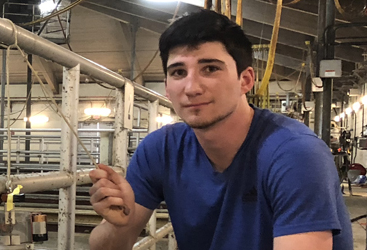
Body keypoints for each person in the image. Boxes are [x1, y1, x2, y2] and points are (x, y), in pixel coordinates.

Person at [89, 10, 353, 250]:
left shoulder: (295, 154)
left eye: (210, 68)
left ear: (245, 80)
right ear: (167, 89)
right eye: (179, 72)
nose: (192, 87)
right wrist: (117, 224)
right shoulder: (161, 149)